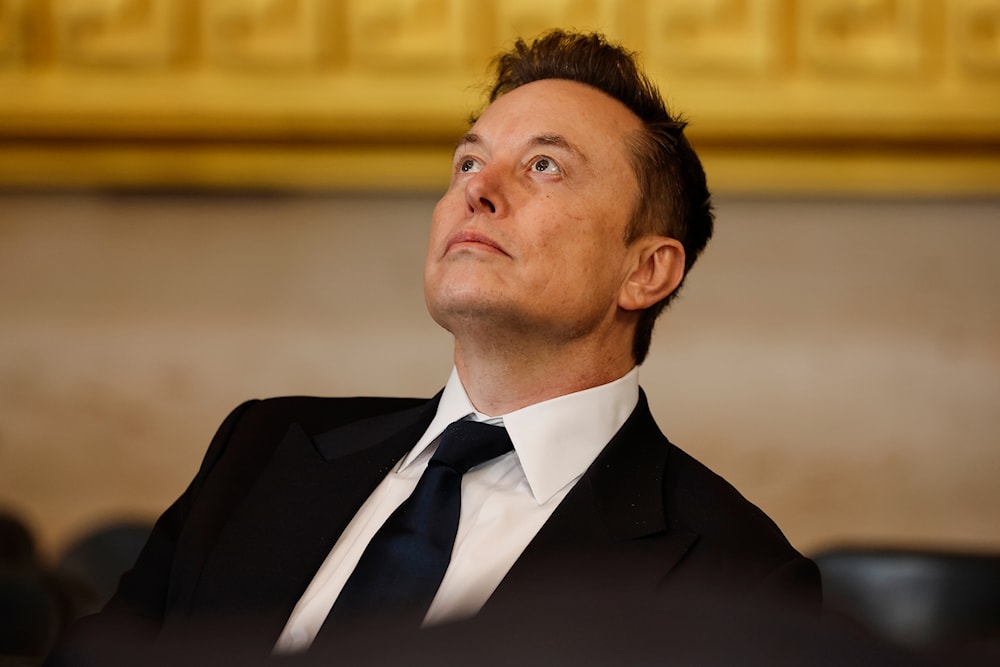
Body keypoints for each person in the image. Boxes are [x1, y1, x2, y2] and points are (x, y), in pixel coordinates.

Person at [49, 30, 821, 664]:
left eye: (545, 166)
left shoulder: (737, 575)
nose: (477, 190)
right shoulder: (262, 447)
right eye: (468, 161)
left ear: (646, 269)